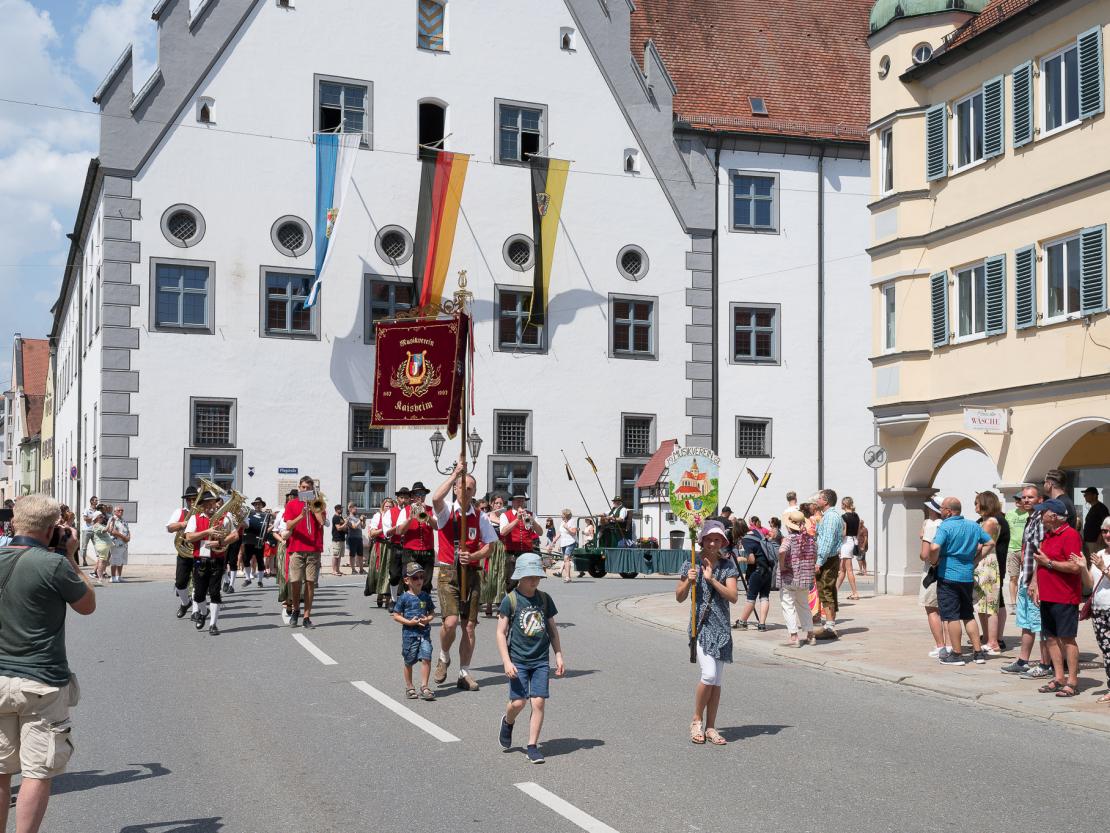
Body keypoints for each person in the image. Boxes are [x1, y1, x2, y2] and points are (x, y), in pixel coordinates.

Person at [0, 493, 95, 833]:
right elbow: (87, 605)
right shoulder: (54, 565)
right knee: (37, 772)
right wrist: (70, 555)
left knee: (0, 771)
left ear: (14, 522)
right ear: (53, 529)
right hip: (41, 682)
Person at [432, 455, 498, 691]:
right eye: (462, 486)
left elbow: (490, 546)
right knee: (450, 623)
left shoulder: (480, 516)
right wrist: (455, 474)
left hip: (470, 573)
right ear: (455, 488)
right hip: (449, 573)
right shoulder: (446, 511)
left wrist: (474, 556)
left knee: (469, 626)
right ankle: (443, 656)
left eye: (470, 488)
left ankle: (464, 672)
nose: (465, 491)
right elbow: (435, 498)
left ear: (475, 492)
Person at [496, 553, 565, 763]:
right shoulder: (511, 600)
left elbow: (552, 630)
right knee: (518, 703)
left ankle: (532, 746)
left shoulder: (544, 599)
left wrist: (559, 655)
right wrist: (506, 661)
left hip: (540, 660)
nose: (534, 580)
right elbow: (500, 632)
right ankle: (508, 721)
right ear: (520, 576)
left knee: (538, 702)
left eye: (537, 576)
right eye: (529, 577)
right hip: (518, 660)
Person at [675, 520, 739, 746]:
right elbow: (679, 596)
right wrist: (689, 582)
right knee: (709, 675)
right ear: (701, 540)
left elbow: (733, 596)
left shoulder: (727, 565)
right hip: (701, 627)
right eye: (709, 539)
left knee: (717, 681)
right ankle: (696, 720)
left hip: (722, 628)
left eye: (717, 539)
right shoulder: (691, 562)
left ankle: (711, 726)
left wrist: (711, 580)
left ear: (723, 541)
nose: (713, 543)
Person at [1030, 498, 1084, 697]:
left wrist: (1049, 563)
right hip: (1047, 595)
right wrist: (1035, 583)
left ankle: (1072, 681)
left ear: (1053, 515)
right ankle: (1059, 677)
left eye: (1042, 512)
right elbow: (1040, 561)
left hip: (1065, 596)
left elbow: (1075, 567)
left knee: (1067, 638)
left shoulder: (1070, 535)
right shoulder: (1048, 534)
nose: (1039, 515)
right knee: (1050, 637)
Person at [929, 497, 991, 666]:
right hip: (967, 576)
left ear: (949, 511)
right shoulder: (973, 525)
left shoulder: (945, 526)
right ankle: (978, 653)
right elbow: (990, 542)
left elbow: (934, 547)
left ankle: (957, 654)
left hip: (948, 575)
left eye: (942, 508)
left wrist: (933, 561)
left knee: (951, 616)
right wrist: (976, 560)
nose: (940, 511)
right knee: (968, 614)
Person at [1001, 486, 1054, 678]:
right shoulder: (1030, 519)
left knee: (1039, 624)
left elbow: (1042, 552)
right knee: (1026, 622)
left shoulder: (1041, 520)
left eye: (1030, 497)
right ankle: (1023, 661)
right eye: (1023, 497)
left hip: (1036, 581)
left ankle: (1045, 665)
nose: (1025, 500)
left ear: (1040, 500)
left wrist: (1035, 581)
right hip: (1026, 578)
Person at [184, 489, 239, 635]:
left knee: (215, 593)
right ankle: (203, 612)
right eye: (207, 503)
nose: (210, 506)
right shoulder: (195, 518)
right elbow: (189, 537)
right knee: (198, 595)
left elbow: (235, 536)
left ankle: (213, 625)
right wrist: (206, 532)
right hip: (200, 560)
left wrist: (221, 542)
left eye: (212, 503)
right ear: (202, 505)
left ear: (216, 504)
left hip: (217, 559)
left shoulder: (225, 517)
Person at [283, 476, 327, 629]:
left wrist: (313, 506)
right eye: (303, 487)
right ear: (299, 487)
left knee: (310, 583)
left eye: (308, 488)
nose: (305, 490)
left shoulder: (318, 503)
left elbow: (322, 522)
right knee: (295, 581)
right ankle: (296, 610)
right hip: (296, 548)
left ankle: (307, 616)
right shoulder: (292, 504)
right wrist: (301, 515)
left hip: (313, 549)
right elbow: (288, 525)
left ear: (312, 489)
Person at [392, 562, 436, 701]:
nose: (419, 580)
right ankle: (410, 686)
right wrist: (409, 622)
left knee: (427, 657)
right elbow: (396, 615)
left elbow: (432, 613)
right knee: (409, 661)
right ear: (407, 580)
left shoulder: (426, 596)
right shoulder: (404, 597)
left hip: (424, 634)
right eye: (415, 578)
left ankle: (424, 686)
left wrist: (427, 619)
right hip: (409, 635)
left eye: (421, 577)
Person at [973, 491, 1009, 654]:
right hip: (983, 563)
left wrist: (972, 560)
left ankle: (993, 642)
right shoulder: (987, 520)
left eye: (976, 503)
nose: (975, 506)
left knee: (990, 604)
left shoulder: (991, 522)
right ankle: (987, 638)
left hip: (986, 564)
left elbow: (981, 545)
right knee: (982, 604)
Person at [778, 510, 816, 647]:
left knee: (788, 605)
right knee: (804, 605)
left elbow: (782, 551)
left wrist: (782, 566)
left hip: (790, 577)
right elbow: (815, 554)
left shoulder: (789, 539)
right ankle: (810, 635)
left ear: (789, 526)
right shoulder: (810, 539)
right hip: (805, 578)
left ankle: (794, 637)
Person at [919, 499, 950, 658]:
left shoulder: (931, 526)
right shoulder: (949, 525)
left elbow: (925, 554)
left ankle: (940, 646)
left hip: (933, 571)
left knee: (932, 608)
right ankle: (950, 645)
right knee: (948, 610)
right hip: (949, 569)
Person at [814, 489, 844, 638]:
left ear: (826, 501)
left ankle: (830, 627)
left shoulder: (831, 517)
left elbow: (827, 541)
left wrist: (819, 561)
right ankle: (829, 624)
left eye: (819, 498)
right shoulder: (829, 515)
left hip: (828, 559)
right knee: (828, 589)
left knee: (826, 590)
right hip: (829, 558)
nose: (817, 500)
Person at [1086, 518, 1110, 704]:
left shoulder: (1101, 560)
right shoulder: (1099, 554)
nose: (1107, 535)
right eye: (1104, 531)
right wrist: (1081, 567)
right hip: (1098, 610)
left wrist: (1104, 568)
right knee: (1106, 651)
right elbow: (1089, 584)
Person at [732, 519, 771, 631]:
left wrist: (742, 559)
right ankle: (762, 624)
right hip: (768, 569)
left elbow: (752, 560)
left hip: (757, 571)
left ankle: (742, 622)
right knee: (764, 597)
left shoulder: (746, 539)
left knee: (751, 597)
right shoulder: (757, 532)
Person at [397, 482, 436, 594]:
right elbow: (399, 531)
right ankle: (410, 603)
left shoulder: (431, 510)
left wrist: (427, 514)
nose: (420, 496)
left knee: (426, 582)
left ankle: (424, 603)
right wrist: (410, 518)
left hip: (427, 550)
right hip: (410, 551)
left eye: (422, 494)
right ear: (412, 496)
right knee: (410, 580)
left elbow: (437, 526)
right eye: (417, 494)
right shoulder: (405, 510)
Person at [500, 494, 542, 595]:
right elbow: (503, 532)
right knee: (511, 582)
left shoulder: (531, 514)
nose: (520, 502)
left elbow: (540, 532)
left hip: (527, 552)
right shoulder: (505, 515)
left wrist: (532, 521)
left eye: (522, 500)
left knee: (528, 580)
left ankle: (525, 600)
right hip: (512, 553)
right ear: (512, 502)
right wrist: (517, 520)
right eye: (517, 500)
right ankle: (512, 600)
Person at [168, 486, 200, 619]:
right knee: (180, 583)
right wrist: (183, 524)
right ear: (186, 500)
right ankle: (185, 603)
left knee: (198, 582)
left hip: (199, 551)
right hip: (184, 552)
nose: (192, 501)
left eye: (194, 499)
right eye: (189, 499)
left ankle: (196, 611)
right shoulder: (180, 512)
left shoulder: (202, 514)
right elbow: (170, 528)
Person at [1004, 489, 1033, 609]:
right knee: (1013, 577)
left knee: (1028, 577)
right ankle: (1013, 604)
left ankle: (1026, 602)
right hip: (1012, 549)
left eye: (1018, 499)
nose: (1016, 501)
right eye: (1015, 498)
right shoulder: (1009, 514)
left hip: (1027, 550)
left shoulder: (1030, 514)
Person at [384, 486, 411, 603]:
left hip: (410, 546)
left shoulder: (413, 510)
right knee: (395, 574)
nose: (404, 500)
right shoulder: (390, 512)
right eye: (401, 498)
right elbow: (387, 533)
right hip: (396, 545)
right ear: (397, 499)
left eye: (406, 498)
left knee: (409, 574)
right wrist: (400, 526)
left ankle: (408, 600)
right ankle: (394, 600)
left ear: (410, 499)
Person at [240, 498, 269, 588]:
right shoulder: (249, 513)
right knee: (246, 559)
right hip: (248, 540)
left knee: (260, 561)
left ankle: (260, 581)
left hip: (259, 541)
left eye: (259, 504)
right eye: (256, 504)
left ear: (262, 505)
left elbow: (266, 529)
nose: (257, 505)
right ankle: (248, 579)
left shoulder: (265, 515)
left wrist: (263, 539)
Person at [838, 496, 861, 601]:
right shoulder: (856, 516)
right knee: (842, 569)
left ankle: (855, 593)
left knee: (849, 570)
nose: (841, 505)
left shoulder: (844, 517)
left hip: (846, 542)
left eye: (842, 504)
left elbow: (844, 533)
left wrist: (837, 538)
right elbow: (858, 532)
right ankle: (835, 591)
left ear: (845, 504)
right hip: (853, 541)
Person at [1081, 487, 1109, 558]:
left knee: (1095, 561)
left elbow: (1106, 524)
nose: (1085, 496)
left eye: (1087, 494)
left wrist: (1101, 537)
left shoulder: (1101, 508)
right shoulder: (1093, 507)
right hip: (1089, 541)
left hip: (1095, 542)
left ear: (1094, 495)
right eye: (1084, 495)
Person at [107, 505, 130, 584]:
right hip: (116, 543)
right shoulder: (112, 519)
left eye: (122, 510)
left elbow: (128, 530)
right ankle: (113, 577)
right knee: (115, 560)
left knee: (121, 560)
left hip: (124, 543)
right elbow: (112, 531)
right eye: (119, 510)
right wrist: (124, 537)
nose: (121, 511)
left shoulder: (123, 520)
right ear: (115, 511)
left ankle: (119, 576)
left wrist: (128, 537)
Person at [89, 511, 111, 585]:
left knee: (102, 561)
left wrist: (112, 522)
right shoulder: (96, 525)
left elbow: (109, 529)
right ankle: (100, 577)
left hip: (104, 545)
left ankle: (100, 576)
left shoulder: (99, 525)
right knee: (102, 562)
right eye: (101, 517)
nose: (103, 518)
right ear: (97, 518)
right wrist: (109, 521)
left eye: (102, 516)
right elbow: (105, 530)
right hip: (102, 545)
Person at [556, 509, 578, 583]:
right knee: (565, 560)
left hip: (571, 542)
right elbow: (560, 533)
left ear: (566, 515)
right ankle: (568, 576)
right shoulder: (562, 522)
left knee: (566, 558)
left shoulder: (572, 521)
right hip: (563, 543)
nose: (561, 515)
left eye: (562, 514)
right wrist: (553, 542)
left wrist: (567, 528)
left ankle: (568, 577)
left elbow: (574, 532)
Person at [345, 503, 366, 575]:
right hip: (352, 538)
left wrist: (364, 521)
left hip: (359, 538)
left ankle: (361, 569)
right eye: (355, 508)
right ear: (350, 509)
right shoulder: (348, 518)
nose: (356, 509)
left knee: (360, 554)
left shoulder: (357, 517)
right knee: (352, 555)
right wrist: (360, 520)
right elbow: (354, 527)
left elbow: (363, 527)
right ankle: (353, 570)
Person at [79, 495, 98, 567]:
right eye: (95, 500)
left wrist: (91, 519)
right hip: (86, 530)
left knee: (97, 546)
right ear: (91, 501)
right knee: (84, 546)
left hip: (95, 530)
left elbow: (99, 520)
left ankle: (98, 560)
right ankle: (84, 560)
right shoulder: (87, 509)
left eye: (97, 500)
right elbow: (85, 519)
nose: (97, 501)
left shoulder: (97, 510)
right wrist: (94, 518)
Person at [329, 504, 347, 577]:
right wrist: (345, 524)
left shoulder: (340, 517)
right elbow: (338, 528)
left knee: (339, 556)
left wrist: (345, 526)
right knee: (335, 555)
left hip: (342, 538)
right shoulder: (336, 517)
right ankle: (334, 571)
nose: (342, 510)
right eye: (340, 509)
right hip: (337, 539)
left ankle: (338, 570)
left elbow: (343, 528)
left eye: (342, 508)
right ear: (337, 510)